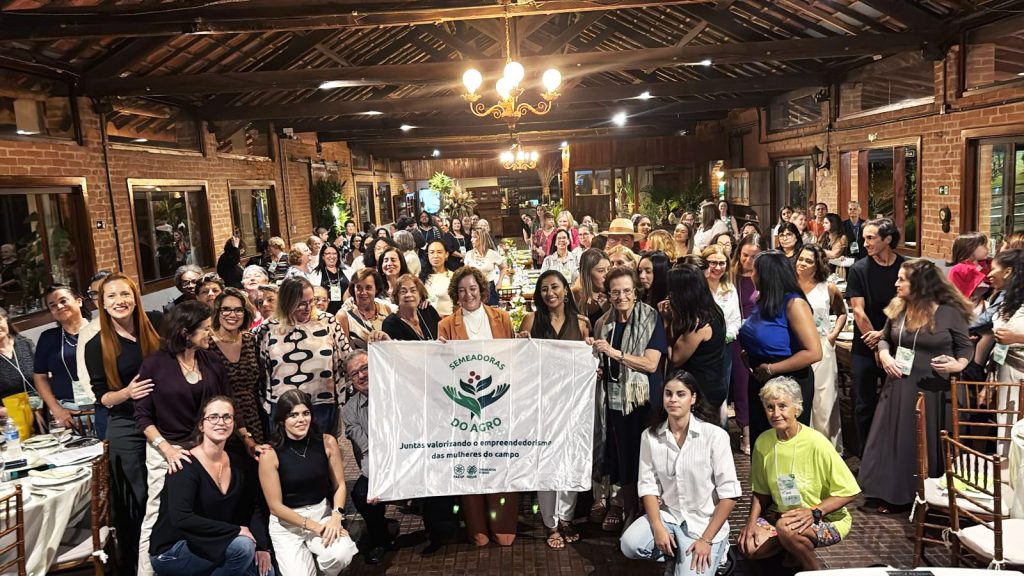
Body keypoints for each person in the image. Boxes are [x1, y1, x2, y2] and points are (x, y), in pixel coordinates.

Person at [859, 259, 972, 512]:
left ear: (920, 284)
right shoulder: (899, 307)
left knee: (924, 440)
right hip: (899, 384)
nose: (896, 283)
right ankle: (892, 493)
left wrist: (958, 365)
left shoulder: (948, 312)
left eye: (902, 279)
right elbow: (885, 339)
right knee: (896, 440)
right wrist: (884, 355)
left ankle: (927, 496)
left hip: (934, 389)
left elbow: (966, 347)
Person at [135, 300, 229, 576]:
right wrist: (167, 450)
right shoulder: (154, 365)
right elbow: (142, 417)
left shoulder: (211, 360)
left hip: (204, 448)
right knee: (157, 513)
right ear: (186, 332)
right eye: (205, 328)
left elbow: (226, 400)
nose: (211, 333)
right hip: (166, 449)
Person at [620, 371, 740, 575]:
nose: (673, 399)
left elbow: (729, 493)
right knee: (630, 544)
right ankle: (675, 555)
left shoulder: (715, 436)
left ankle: (719, 556)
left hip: (704, 525)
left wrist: (706, 540)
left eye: (681, 394)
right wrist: (657, 526)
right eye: (668, 393)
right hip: (670, 516)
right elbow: (648, 486)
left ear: (693, 398)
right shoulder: (650, 436)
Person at [739, 377, 860, 572]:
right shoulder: (763, 442)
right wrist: (751, 523)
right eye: (770, 407)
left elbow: (850, 491)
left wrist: (814, 512)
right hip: (781, 515)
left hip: (823, 517)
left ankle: (813, 571)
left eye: (783, 406)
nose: (776, 413)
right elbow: (760, 491)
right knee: (750, 546)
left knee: (787, 528)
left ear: (796, 408)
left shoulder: (816, 442)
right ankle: (793, 548)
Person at [437, 266, 518, 547]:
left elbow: (513, 357)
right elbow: (442, 367)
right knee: (469, 461)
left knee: (500, 459)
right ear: (455, 294)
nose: (468, 295)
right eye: (461, 290)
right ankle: (476, 524)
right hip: (464, 406)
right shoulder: (446, 325)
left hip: (499, 402)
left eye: (472, 288)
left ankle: (502, 521)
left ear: (482, 290)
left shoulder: (501, 318)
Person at [86, 273, 161, 574]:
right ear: (102, 304)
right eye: (112, 296)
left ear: (135, 297)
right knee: (139, 499)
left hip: (164, 420)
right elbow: (102, 397)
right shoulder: (96, 345)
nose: (120, 301)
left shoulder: (156, 325)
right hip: (127, 426)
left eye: (125, 294)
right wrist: (127, 393)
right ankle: (139, 565)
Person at [149, 396, 274, 576]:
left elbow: (255, 507)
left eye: (227, 417)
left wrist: (262, 547)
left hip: (215, 543)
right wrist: (236, 530)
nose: (221, 422)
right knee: (243, 547)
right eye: (213, 417)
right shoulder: (184, 464)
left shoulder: (239, 464)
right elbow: (181, 518)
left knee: (265, 572)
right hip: (175, 549)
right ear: (201, 424)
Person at [589, 267, 668, 531]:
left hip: (644, 401)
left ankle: (653, 514)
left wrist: (614, 353)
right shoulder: (603, 323)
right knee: (624, 458)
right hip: (614, 400)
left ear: (635, 292)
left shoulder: (650, 317)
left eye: (626, 291)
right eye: (615, 292)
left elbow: (650, 364)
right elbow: (603, 363)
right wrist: (598, 367)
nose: (621, 297)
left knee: (648, 458)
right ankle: (629, 511)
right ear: (608, 295)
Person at [518, 270, 590, 549]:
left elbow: (588, 361)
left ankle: (567, 518)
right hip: (542, 405)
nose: (550, 293)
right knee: (545, 462)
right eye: (544, 289)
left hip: (573, 404)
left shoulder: (581, 324)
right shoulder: (531, 320)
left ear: (565, 291)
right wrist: (521, 343)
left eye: (555, 287)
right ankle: (550, 523)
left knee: (572, 458)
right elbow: (520, 363)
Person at [259, 390, 358, 575]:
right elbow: (275, 507)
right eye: (293, 415)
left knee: (342, 553)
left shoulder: (327, 442)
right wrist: (316, 528)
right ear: (282, 420)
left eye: (305, 413)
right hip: (287, 525)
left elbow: (340, 486)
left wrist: (336, 517)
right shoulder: (269, 454)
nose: (301, 420)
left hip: (321, 513)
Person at [737, 251, 822, 442]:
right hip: (760, 378)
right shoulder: (762, 300)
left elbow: (814, 352)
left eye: (754, 271)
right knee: (763, 440)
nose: (751, 275)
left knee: (785, 441)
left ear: (766, 275)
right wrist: (748, 353)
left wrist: (771, 368)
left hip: (787, 381)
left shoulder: (794, 303)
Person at [256, 278, 350, 435]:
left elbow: (346, 359)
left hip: (323, 404)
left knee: (324, 448)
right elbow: (261, 371)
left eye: (311, 301)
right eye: (300, 303)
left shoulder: (328, 321)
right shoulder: (267, 328)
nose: (308, 307)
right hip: (283, 408)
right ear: (287, 302)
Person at [846, 218, 905, 454]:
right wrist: (878, 346)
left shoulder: (906, 268)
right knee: (863, 404)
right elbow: (858, 311)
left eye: (870, 238)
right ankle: (866, 456)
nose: (865, 243)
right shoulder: (859, 269)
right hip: (865, 345)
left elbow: (910, 307)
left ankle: (894, 453)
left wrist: (884, 336)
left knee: (898, 402)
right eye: (864, 238)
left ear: (887, 239)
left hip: (899, 344)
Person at [340, 350, 395, 565]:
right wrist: (376, 482)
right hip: (379, 464)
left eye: (365, 368)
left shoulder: (399, 391)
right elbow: (367, 451)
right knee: (362, 493)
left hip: (412, 460)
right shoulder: (349, 410)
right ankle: (381, 539)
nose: (361, 375)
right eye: (354, 374)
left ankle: (435, 532)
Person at [795, 245, 846, 451]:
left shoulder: (828, 288)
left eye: (808, 261)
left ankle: (827, 450)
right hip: (796, 347)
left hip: (822, 346)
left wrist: (833, 336)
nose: (802, 264)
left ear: (817, 265)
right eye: (801, 259)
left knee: (824, 401)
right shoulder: (789, 285)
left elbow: (842, 312)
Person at [665, 263, 727, 421]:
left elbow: (675, 358)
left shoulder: (698, 325)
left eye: (673, 290)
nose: (670, 295)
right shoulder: (713, 310)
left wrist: (666, 322)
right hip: (713, 383)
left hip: (701, 393)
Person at [209, 288, 268, 455]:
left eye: (238, 310)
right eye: (226, 309)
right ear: (217, 312)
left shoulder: (250, 340)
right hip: (220, 419)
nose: (232, 314)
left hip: (253, 417)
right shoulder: (207, 345)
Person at [33, 285, 91, 431]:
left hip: (105, 407)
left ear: (79, 301)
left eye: (63, 301)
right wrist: (56, 408)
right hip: (67, 413)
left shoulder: (99, 330)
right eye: (53, 305)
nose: (59, 306)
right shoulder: (48, 338)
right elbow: (40, 377)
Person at [730, 234, 761, 455]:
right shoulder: (732, 277)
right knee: (741, 383)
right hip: (738, 335)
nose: (748, 261)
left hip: (761, 335)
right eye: (745, 255)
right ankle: (746, 431)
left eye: (754, 256)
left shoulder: (765, 276)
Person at [703, 245, 742, 416]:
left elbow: (735, 320)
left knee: (721, 392)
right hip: (701, 348)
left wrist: (727, 336)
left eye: (722, 263)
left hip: (723, 348)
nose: (717, 267)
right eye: (712, 262)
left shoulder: (729, 288)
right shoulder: (699, 287)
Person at [337, 269, 392, 349]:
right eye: (359, 288)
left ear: (376, 289)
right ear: (353, 289)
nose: (363, 292)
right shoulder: (343, 316)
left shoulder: (386, 310)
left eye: (368, 287)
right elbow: (341, 352)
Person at [381, 274, 441, 341]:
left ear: (420, 295)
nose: (408, 295)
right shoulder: (390, 323)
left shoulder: (428, 310)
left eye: (413, 290)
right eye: (403, 291)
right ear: (396, 296)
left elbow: (442, 335)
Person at [0, 307, 37, 415]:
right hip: (12, 417)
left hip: (42, 409)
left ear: (6, 319)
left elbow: (44, 376)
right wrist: (8, 412)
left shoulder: (26, 344)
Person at [464, 228, 507, 306]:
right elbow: (465, 273)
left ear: (482, 238)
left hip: (489, 288)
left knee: (491, 312)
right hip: (473, 289)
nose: (471, 240)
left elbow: (503, 268)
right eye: (471, 237)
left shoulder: (492, 254)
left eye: (474, 237)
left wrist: (499, 282)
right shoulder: (468, 254)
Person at [572, 249, 611, 329]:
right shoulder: (572, 296)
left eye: (609, 269)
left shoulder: (612, 297)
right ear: (587, 273)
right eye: (601, 271)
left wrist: (609, 312)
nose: (607, 275)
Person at [947, 231, 991, 302]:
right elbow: (953, 294)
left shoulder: (987, 264)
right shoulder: (958, 270)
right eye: (984, 245)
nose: (988, 248)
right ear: (970, 248)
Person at [310, 244, 350, 315]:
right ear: (323, 256)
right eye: (328, 253)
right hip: (325, 313)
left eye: (334, 253)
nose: (332, 256)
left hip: (346, 312)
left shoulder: (348, 270)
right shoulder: (315, 274)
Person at [421, 241, 454, 317]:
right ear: (427, 255)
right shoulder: (421, 277)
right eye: (432, 252)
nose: (435, 256)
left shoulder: (453, 276)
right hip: (427, 320)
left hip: (447, 319)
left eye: (439, 252)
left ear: (446, 254)